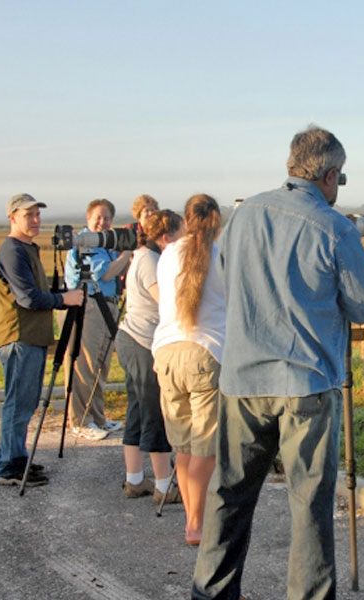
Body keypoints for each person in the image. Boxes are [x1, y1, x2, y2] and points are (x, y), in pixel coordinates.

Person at [191, 126, 364, 600]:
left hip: (242, 378)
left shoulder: (243, 215)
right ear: (331, 174)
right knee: (309, 505)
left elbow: (227, 279)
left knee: (229, 495)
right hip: (306, 384)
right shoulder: (335, 227)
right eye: (341, 179)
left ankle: (209, 592)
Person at [0, 193, 83, 486]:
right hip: (19, 337)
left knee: (24, 403)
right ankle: (9, 467)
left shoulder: (26, 249)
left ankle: (15, 458)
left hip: (29, 337)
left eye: (37, 215)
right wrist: (64, 299)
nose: (35, 220)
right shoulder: (12, 250)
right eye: (28, 215)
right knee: (18, 404)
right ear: (13, 218)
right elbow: (28, 298)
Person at [152, 194, 224, 545]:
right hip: (205, 351)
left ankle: (191, 521)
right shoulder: (221, 254)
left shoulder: (167, 254)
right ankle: (197, 524)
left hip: (166, 352)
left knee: (181, 446)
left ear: (186, 218)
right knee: (205, 447)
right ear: (217, 221)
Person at [117, 209, 184, 503]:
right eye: (182, 232)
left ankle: (135, 480)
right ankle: (163, 485)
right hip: (143, 342)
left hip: (130, 338)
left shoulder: (141, 256)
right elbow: (166, 302)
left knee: (136, 410)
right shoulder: (152, 261)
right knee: (156, 412)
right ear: (166, 236)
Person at [64, 199, 132, 439]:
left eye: (107, 218)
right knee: (86, 364)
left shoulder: (106, 244)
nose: (102, 223)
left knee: (101, 364)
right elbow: (105, 272)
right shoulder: (86, 243)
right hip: (89, 306)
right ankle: (80, 421)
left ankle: (97, 417)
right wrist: (127, 252)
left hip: (107, 305)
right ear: (88, 217)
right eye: (98, 217)